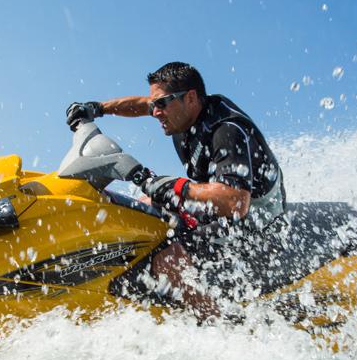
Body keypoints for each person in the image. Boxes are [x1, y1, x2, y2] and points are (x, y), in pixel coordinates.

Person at [66, 62, 285, 320]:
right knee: (147, 204)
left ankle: (221, 326)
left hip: (259, 219)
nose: (155, 112)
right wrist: (98, 108)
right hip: (221, 207)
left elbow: (234, 202)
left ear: (190, 98)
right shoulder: (180, 113)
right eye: (155, 104)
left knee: (168, 261)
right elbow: (140, 104)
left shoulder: (226, 129)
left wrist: (178, 187)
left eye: (161, 104)